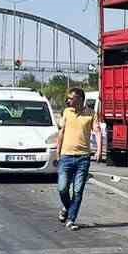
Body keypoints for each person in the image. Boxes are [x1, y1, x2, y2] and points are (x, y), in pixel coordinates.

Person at [54, 87, 96, 230]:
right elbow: (61, 133)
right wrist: (57, 153)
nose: (68, 100)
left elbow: (97, 132)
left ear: (79, 99)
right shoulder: (66, 112)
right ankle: (67, 208)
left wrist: (100, 151)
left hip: (83, 158)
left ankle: (71, 219)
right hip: (66, 157)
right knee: (62, 188)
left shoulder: (91, 114)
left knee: (78, 191)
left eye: (71, 98)